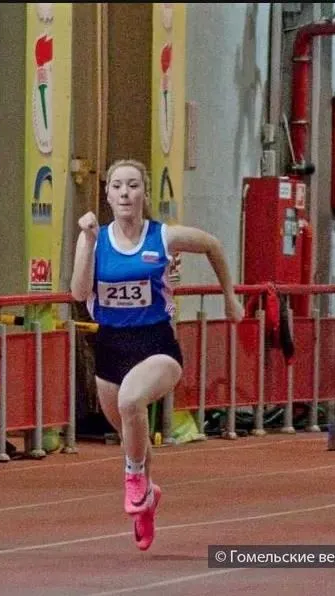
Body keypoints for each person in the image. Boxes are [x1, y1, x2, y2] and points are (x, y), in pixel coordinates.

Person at [70, 159, 243, 551]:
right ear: (109, 194)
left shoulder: (163, 237)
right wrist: (88, 242)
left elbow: (213, 245)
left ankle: (132, 478)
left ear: (144, 193)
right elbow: (79, 294)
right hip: (111, 345)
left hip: (157, 345)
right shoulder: (94, 238)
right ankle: (147, 500)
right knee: (133, 433)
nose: (126, 193)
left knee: (133, 401)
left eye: (133, 185)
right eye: (118, 186)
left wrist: (230, 297)